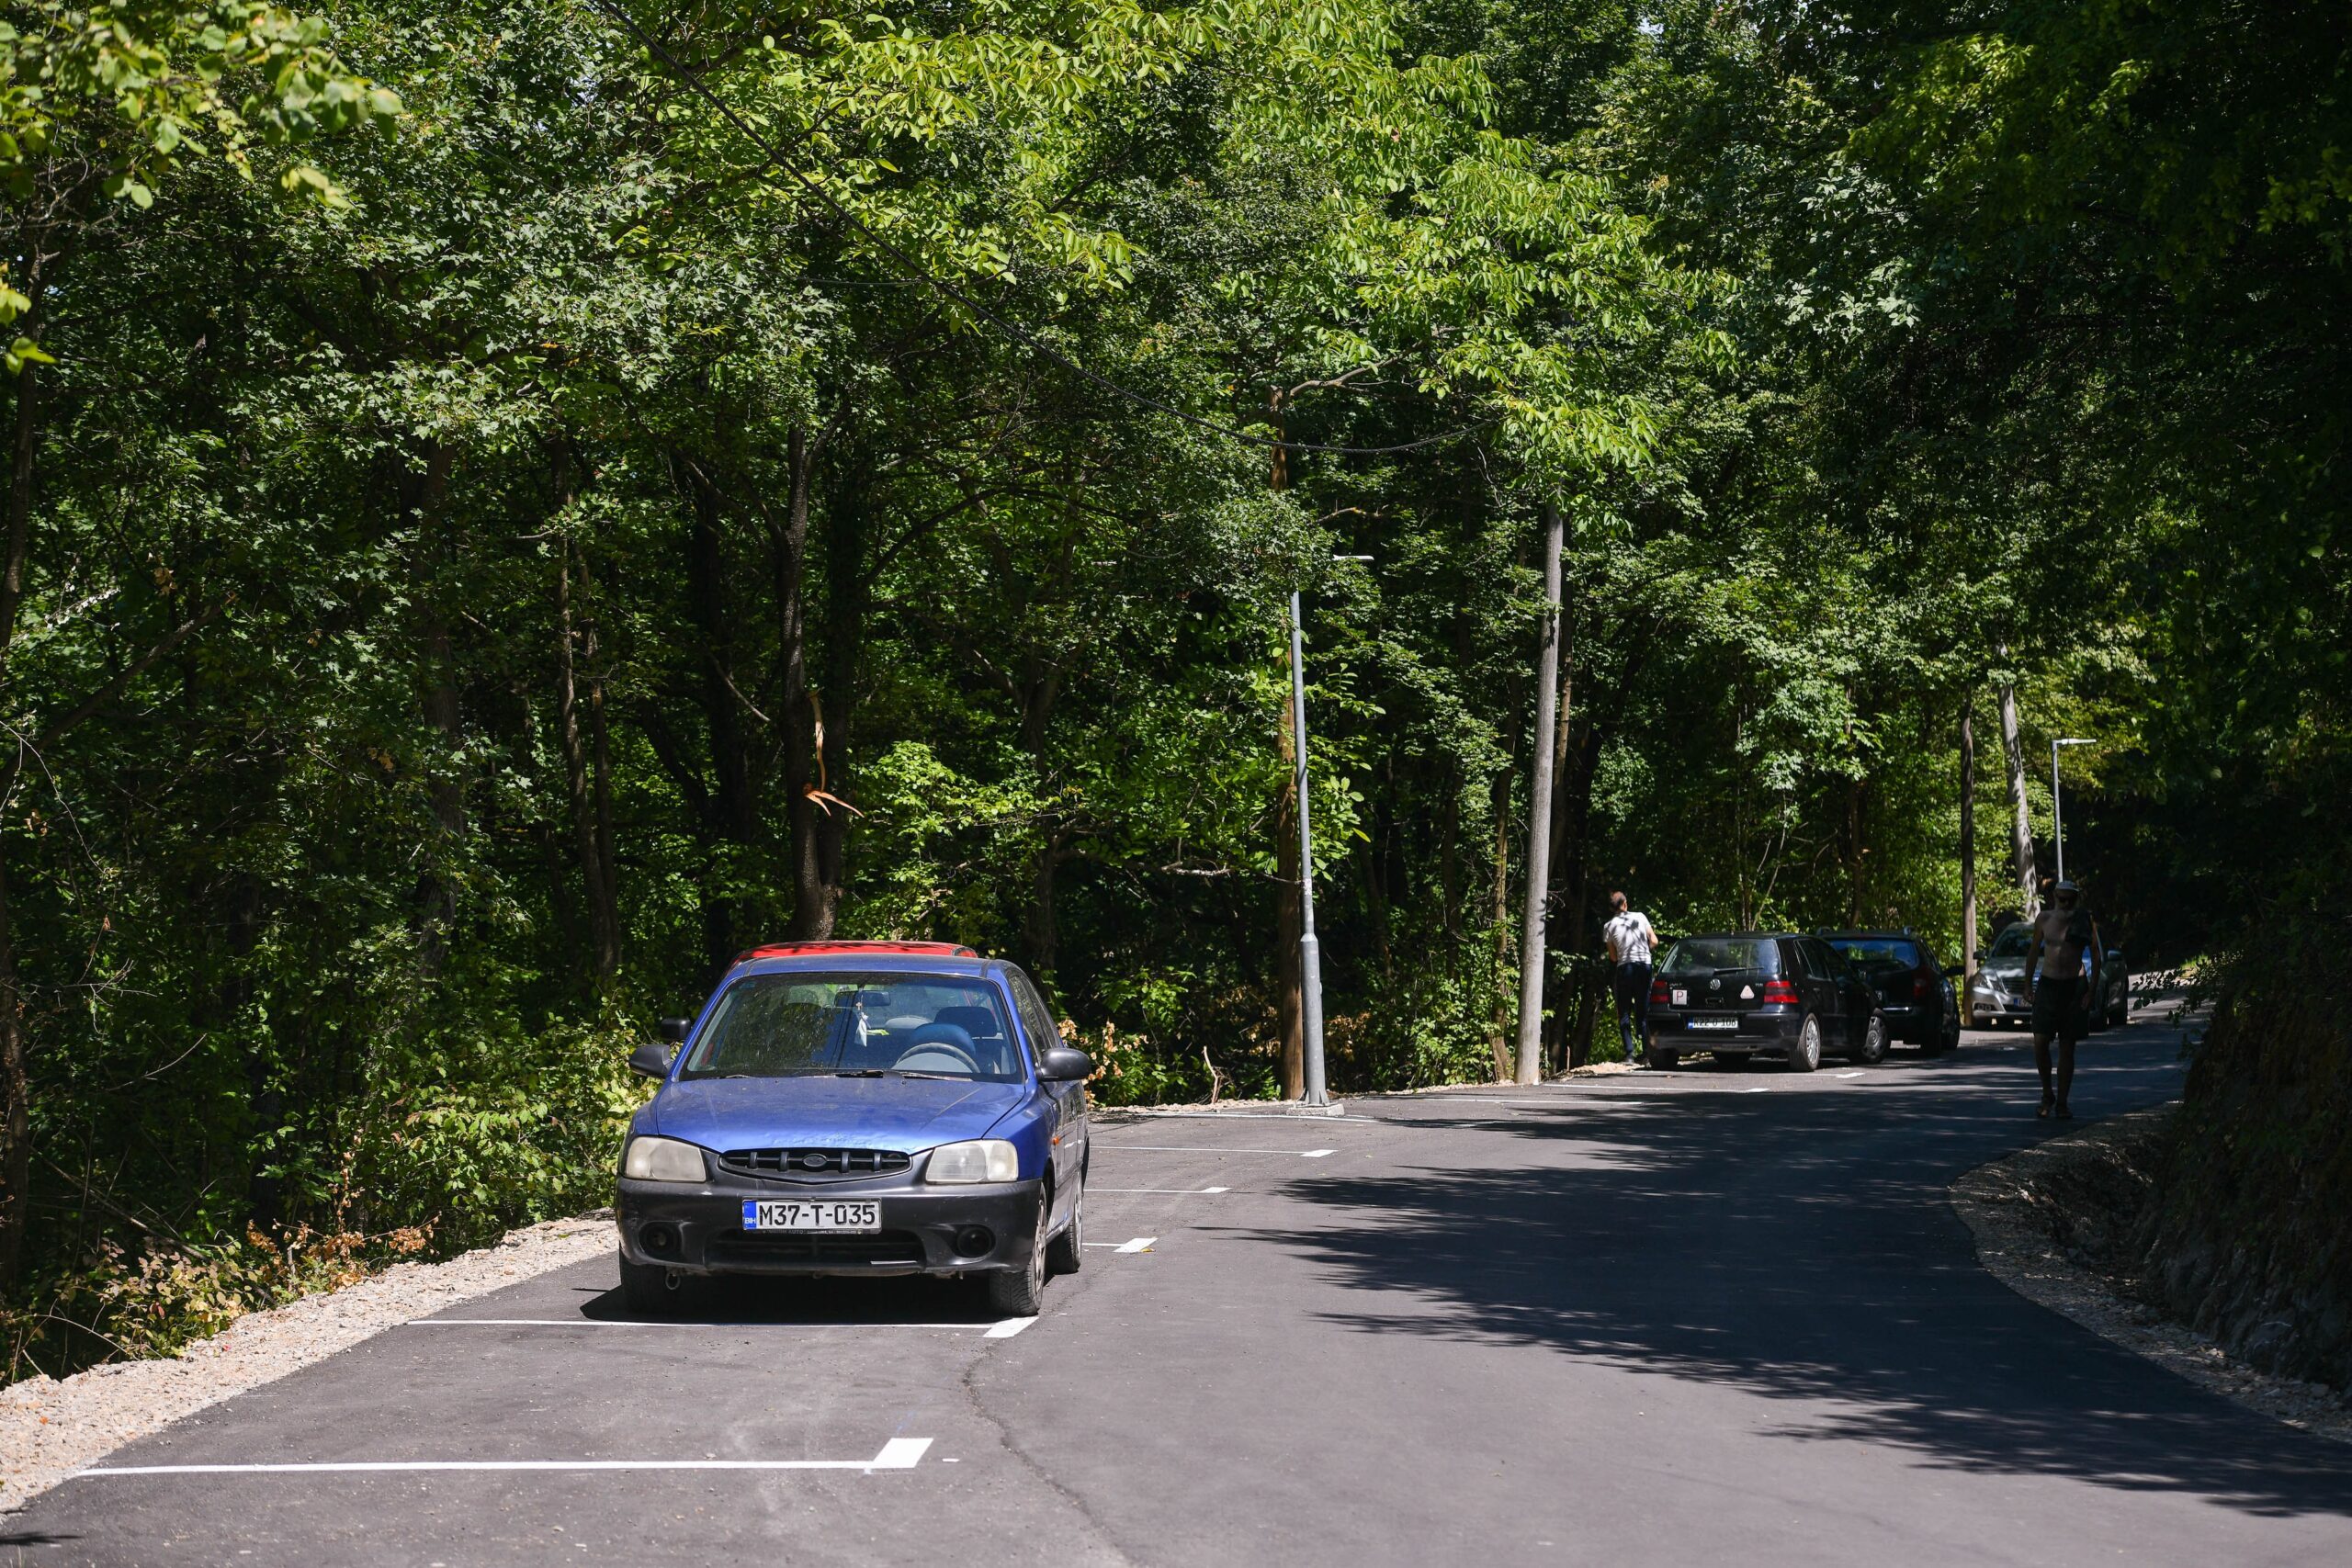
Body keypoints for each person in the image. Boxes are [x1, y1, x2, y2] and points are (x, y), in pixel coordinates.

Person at [2024, 878, 2101, 1118]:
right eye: (2061, 899)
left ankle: (2063, 1103)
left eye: (2070, 900)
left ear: (2076, 900)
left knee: (2068, 1046)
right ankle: (2047, 1093)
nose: (2065, 904)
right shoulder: (2044, 920)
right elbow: (2033, 953)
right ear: (2054, 898)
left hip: (2074, 986)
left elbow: (2096, 955)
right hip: (2048, 985)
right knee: (2040, 1042)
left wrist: (2091, 991)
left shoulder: (2084, 921)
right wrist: (2028, 985)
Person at [1601, 892, 1658, 1065]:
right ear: (1625, 904)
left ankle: (1629, 1054)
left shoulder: (1609, 926)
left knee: (1624, 1010)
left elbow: (1613, 957)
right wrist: (1643, 951)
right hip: (1644, 966)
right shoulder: (1640, 917)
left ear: (1612, 908)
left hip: (1625, 968)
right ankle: (1647, 1053)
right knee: (1643, 1010)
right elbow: (1654, 941)